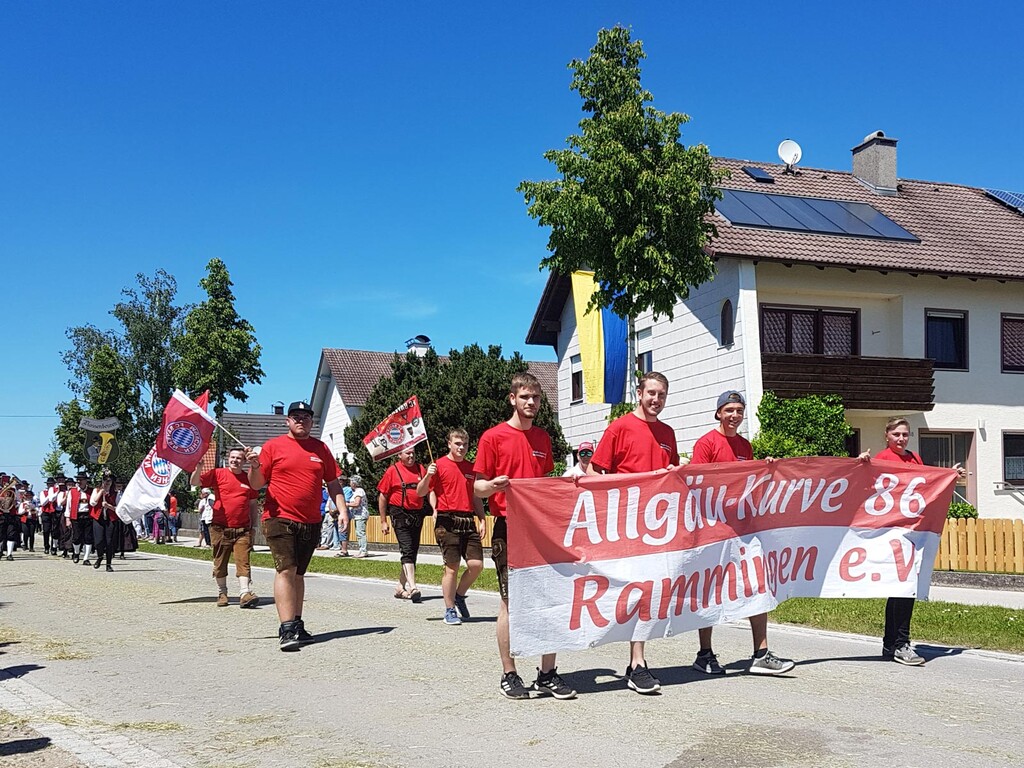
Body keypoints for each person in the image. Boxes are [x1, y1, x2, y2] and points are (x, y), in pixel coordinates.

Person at [475, 372, 576, 701]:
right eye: (524, 397)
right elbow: (476, 486)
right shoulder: (493, 437)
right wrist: (493, 486)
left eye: (535, 397)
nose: (531, 402)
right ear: (512, 399)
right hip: (508, 526)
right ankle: (509, 673)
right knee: (509, 602)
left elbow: (544, 484)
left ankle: (548, 673)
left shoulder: (544, 439)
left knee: (551, 599)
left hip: (540, 528)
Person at [689, 390, 795, 676]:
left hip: (743, 531)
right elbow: (696, 484)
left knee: (757, 584)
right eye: (729, 410)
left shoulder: (745, 447)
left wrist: (766, 470)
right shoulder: (707, 443)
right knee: (709, 590)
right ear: (718, 413)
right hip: (713, 529)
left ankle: (761, 652)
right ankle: (704, 653)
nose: (734, 415)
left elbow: (748, 486)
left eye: (739, 410)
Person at [587, 372, 679, 694]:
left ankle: (636, 663)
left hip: (657, 528)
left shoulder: (668, 433)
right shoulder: (620, 427)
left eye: (662, 395)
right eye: (651, 393)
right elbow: (593, 473)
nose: (656, 400)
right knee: (624, 592)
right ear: (639, 393)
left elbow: (673, 477)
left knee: (648, 592)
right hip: (624, 526)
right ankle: (623, 656)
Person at [860, 417, 967, 666]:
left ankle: (891, 643)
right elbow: (864, 485)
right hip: (889, 532)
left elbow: (928, 484)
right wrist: (862, 463)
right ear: (887, 435)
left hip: (912, 532)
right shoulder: (882, 458)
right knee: (901, 587)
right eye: (896, 434)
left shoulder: (914, 459)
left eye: (905, 434)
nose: (901, 439)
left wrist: (950, 474)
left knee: (902, 587)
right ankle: (900, 644)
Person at [246, 400, 348, 651]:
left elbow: (333, 483)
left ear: (312, 421)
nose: (301, 420)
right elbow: (257, 484)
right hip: (279, 517)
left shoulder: (320, 448)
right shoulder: (273, 447)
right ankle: (287, 628)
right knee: (286, 570)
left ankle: (297, 623)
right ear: (288, 421)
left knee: (299, 573)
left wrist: (343, 509)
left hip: (311, 520)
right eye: (296, 416)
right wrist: (255, 466)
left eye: (306, 417)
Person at [417, 428, 486, 626]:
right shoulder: (438, 465)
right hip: (447, 520)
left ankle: (459, 595)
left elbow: (475, 497)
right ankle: (449, 609)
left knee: (476, 565)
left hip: (467, 519)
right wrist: (428, 476)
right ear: (449, 444)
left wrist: (481, 519)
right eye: (457, 443)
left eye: (464, 444)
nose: (461, 447)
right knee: (452, 568)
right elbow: (421, 492)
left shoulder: (471, 468)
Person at [191, 447, 261, 609]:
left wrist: (254, 526)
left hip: (242, 529)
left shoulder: (249, 479)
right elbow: (195, 482)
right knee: (220, 562)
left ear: (244, 462)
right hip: (220, 528)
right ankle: (222, 592)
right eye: (232, 457)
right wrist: (199, 468)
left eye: (239, 458)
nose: (235, 460)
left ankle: (245, 593)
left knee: (243, 561)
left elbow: (252, 504)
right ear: (228, 459)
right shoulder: (218, 474)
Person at [378, 446, 427, 602]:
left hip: (417, 514)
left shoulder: (420, 469)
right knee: (406, 549)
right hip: (399, 513)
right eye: (408, 453)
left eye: (413, 452)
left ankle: (400, 587)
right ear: (399, 455)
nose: (411, 455)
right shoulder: (393, 471)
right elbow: (383, 496)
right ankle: (413, 587)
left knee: (412, 551)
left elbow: (429, 488)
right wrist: (383, 520)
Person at [89, 472, 118, 572]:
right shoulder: (96, 490)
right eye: (105, 480)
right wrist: (101, 492)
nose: (107, 483)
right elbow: (93, 503)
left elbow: (119, 508)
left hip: (110, 519)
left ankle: (109, 564)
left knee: (109, 542)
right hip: (98, 519)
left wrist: (109, 506)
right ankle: (100, 556)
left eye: (109, 481)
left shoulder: (115, 493)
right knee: (99, 541)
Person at [69, 473, 94, 565]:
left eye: (81, 479)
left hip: (88, 516)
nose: (79, 481)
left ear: (85, 481)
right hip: (76, 516)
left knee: (88, 537)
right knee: (76, 537)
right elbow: (69, 505)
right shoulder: (72, 491)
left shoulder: (91, 491)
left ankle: (86, 558)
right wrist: (68, 518)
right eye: (78, 480)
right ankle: (76, 553)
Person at [347, 476, 369, 557]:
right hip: (357, 515)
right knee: (358, 532)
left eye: (351, 481)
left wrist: (347, 504)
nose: (350, 483)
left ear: (354, 483)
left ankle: (364, 550)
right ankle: (361, 550)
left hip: (361, 515)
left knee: (360, 533)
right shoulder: (356, 491)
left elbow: (357, 503)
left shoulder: (359, 491)